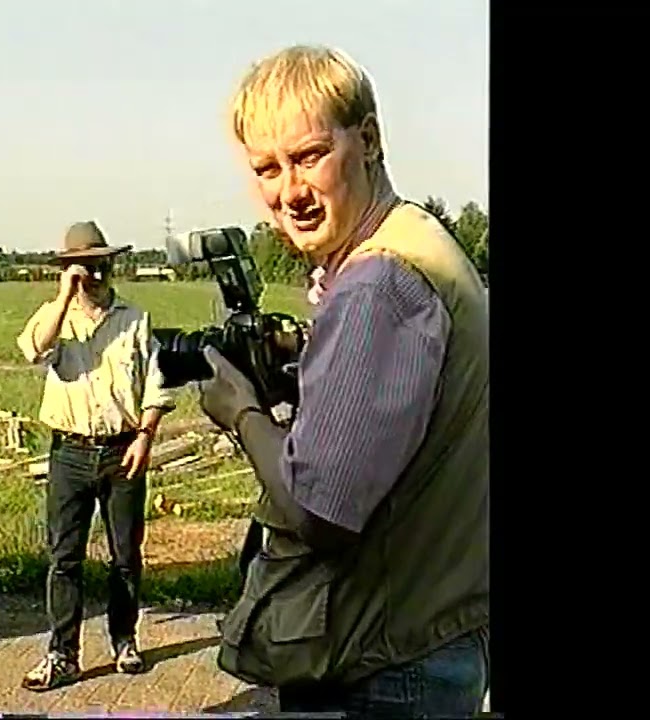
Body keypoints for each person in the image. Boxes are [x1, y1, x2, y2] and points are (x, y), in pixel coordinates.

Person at [200, 45, 489, 717]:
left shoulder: (378, 283)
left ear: (368, 139)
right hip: (431, 636)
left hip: (385, 667)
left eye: (308, 157)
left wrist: (241, 411)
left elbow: (318, 508)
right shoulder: (418, 239)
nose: (289, 193)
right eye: (267, 169)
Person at [16, 221, 175, 692]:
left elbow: (154, 382)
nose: (95, 274)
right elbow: (33, 350)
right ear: (67, 269)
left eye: (102, 264)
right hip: (69, 452)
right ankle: (61, 654)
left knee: (125, 555)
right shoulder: (54, 316)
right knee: (64, 557)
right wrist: (65, 296)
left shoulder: (134, 318)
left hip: (123, 448)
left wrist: (146, 436)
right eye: (84, 266)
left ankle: (124, 640)